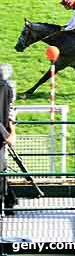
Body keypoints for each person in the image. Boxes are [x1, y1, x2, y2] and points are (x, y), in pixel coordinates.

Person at [0, 63, 17, 211]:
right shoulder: (7, 87)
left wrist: (11, 131)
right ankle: (9, 200)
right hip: (3, 136)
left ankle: (8, 200)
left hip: (2, 137)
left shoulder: (7, 88)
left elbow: (11, 109)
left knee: (2, 167)